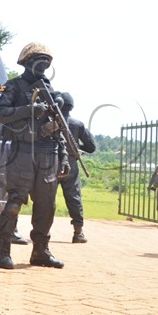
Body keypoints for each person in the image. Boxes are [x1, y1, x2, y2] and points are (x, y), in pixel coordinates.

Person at [0, 42, 70, 269]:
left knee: (47, 205)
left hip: (48, 154)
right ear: (26, 61)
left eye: (46, 60)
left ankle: (40, 251)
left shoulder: (51, 90)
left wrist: (63, 156)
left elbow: (60, 127)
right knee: (15, 202)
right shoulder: (14, 86)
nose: (43, 64)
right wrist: (29, 110)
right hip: (23, 152)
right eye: (38, 59)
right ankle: (2, 251)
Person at [58, 92, 96, 243]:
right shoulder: (77, 124)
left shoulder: (47, 121)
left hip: (50, 164)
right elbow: (91, 147)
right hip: (71, 165)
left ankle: (42, 231)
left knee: (45, 199)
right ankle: (78, 233)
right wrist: (75, 148)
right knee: (74, 197)